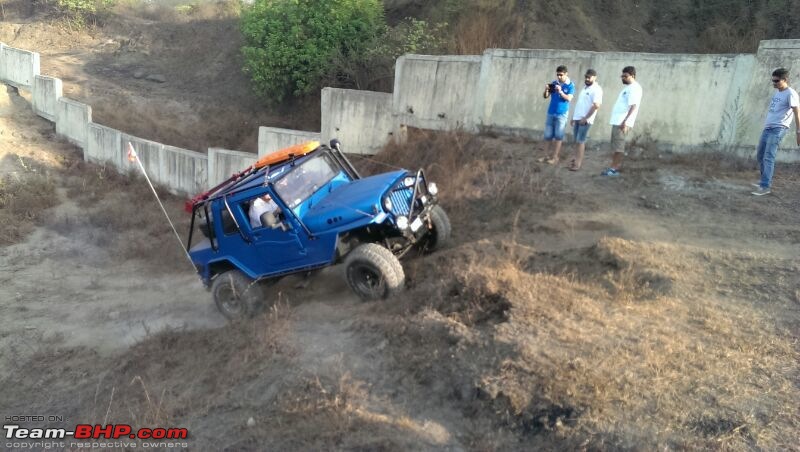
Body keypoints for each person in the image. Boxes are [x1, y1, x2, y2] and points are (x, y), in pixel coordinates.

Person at [751, 67, 800, 196]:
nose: (774, 83)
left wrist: (798, 132)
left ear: (785, 80)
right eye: (773, 81)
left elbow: (797, 113)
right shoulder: (778, 92)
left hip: (778, 129)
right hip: (768, 128)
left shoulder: (791, 93)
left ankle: (765, 186)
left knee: (768, 157)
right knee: (760, 155)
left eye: (777, 81)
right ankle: (764, 181)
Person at [601, 66, 643, 177]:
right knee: (616, 147)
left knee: (619, 147)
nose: (623, 78)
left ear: (632, 76)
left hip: (622, 123)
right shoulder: (628, 88)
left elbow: (633, 106)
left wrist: (625, 121)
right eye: (622, 76)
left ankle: (614, 169)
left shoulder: (634, 88)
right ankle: (612, 167)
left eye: (625, 76)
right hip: (618, 121)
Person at [566, 69, 603, 171]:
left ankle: (578, 164)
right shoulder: (584, 88)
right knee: (576, 141)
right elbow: (580, 104)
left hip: (585, 120)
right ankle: (574, 161)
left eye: (589, 77)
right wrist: (574, 117)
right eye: (586, 77)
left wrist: (586, 118)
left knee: (580, 141)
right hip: (578, 118)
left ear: (594, 78)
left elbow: (596, 105)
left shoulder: (597, 89)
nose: (587, 79)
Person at [538, 65, 575, 164]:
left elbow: (569, 98)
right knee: (547, 135)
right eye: (557, 75)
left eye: (561, 75)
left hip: (561, 114)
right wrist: (546, 90)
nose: (559, 77)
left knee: (558, 136)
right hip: (551, 112)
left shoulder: (570, 85)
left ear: (566, 74)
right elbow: (545, 96)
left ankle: (555, 157)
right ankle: (545, 156)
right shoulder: (554, 83)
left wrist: (561, 92)